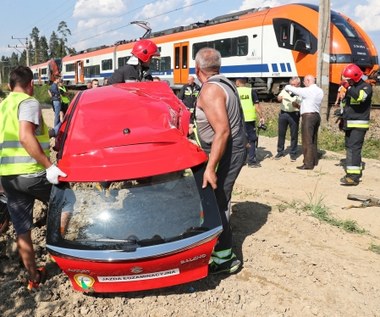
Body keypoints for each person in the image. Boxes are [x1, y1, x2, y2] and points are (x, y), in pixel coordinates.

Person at [0, 66, 67, 291]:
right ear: (30, 85)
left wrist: (53, 133)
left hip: (10, 178)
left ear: (10, 85)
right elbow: (25, 136)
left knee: (22, 229)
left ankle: (34, 277)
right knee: (68, 203)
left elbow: (23, 135)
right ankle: (60, 255)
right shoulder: (28, 102)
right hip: (33, 173)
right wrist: (49, 166)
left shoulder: (3, 106)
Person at [194, 47, 247, 274]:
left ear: (198, 70)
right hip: (231, 149)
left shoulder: (210, 90)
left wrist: (210, 167)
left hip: (226, 151)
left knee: (218, 201)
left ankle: (225, 258)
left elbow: (222, 131)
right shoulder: (225, 82)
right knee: (218, 198)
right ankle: (217, 243)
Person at [339, 64, 372, 186]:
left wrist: (348, 87)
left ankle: (353, 177)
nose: (348, 81)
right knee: (350, 148)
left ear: (356, 77)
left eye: (349, 79)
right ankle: (354, 171)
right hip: (349, 123)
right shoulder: (352, 88)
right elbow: (348, 105)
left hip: (359, 125)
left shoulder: (366, 87)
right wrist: (342, 116)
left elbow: (359, 98)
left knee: (354, 148)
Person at [285, 75, 323, 170]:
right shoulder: (320, 91)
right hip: (316, 115)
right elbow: (308, 101)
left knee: (307, 141)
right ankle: (314, 160)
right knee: (313, 139)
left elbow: (289, 88)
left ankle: (308, 163)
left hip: (308, 117)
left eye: (304, 81)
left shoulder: (308, 90)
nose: (303, 83)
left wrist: (289, 87)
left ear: (308, 81)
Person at [235, 77, 264, 167]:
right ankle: (251, 161)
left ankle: (241, 161)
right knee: (252, 139)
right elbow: (256, 106)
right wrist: (261, 116)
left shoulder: (234, 92)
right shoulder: (251, 91)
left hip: (238, 120)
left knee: (239, 140)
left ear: (238, 82)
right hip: (249, 119)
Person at [275, 77, 302, 162]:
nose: (292, 86)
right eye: (291, 84)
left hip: (294, 114)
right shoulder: (286, 89)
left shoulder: (301, 92)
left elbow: (303, 106)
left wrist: (297, 105)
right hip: (284, 113)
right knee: (281, 133)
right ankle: (280, 151)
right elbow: (279, 97)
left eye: (294, 85)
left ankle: (293, 153)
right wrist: (279, 98)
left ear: (299, 84)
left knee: (294, 134)